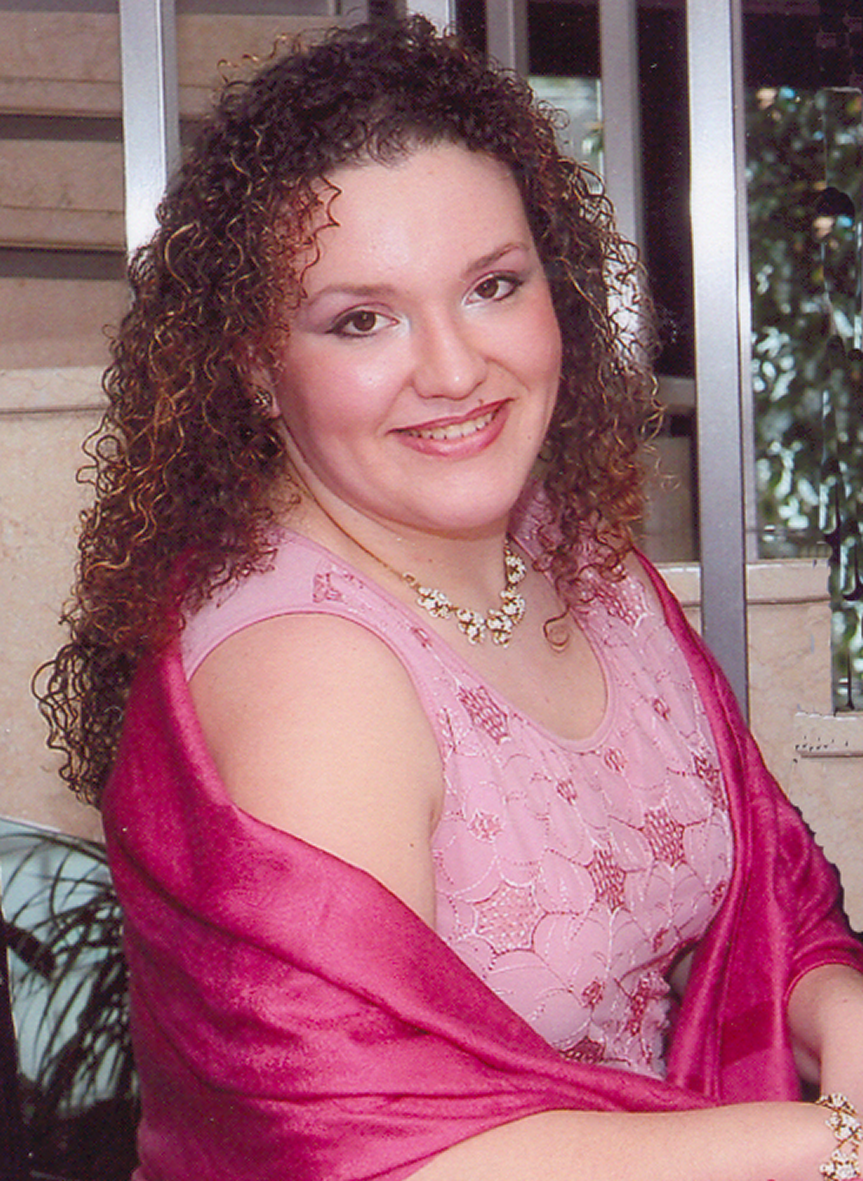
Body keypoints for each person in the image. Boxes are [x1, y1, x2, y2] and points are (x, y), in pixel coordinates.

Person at [37, 16, 863, 1181]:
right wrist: (826, 1141)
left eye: (490, 286)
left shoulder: (582, 556)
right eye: (360, 319)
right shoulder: (312, 674)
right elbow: (353, 1148)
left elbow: (775, 893)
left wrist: (840, 1017)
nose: (453, 368)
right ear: (256, 366)